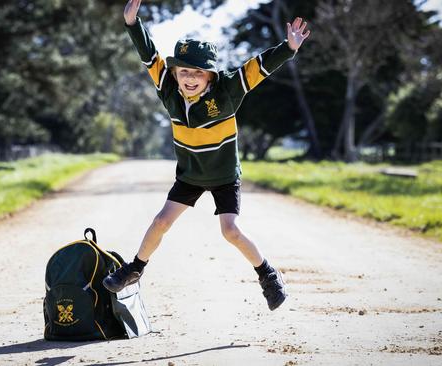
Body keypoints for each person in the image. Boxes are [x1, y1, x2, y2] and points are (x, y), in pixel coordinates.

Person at [103, 0, 310, 311]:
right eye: (183, 71)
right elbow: (150, 57)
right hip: (190, 175)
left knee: (231, 231)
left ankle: (268, 275)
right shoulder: (169, 90)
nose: (189, 78)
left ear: (210, 75)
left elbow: (257, 68)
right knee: (161, 221)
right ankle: (135, 268)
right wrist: (134, 25)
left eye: (197, 73)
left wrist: (288, 47)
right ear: (175, 73)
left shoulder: (226, 91)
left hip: (225, 176)